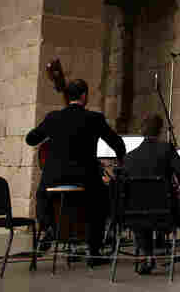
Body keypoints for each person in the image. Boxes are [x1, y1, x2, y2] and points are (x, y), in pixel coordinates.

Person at [25, 79, 125, 267]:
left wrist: (49, 134)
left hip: (53, 178)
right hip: (85, 178)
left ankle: (48, 227)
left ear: (68, 96)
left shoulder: (52, 118)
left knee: (42, 193)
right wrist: (121, 159)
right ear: (84, 96)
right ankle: (94, 252)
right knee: (104, 198)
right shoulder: (95, 119)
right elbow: (117, 143)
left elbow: (30, 139)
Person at [122, 114, 180, 274]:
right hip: (167, 213)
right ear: (160, 131)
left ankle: (148, 257)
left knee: (142, 214)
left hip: (136, 215)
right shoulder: (166, 149)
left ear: (141, 131)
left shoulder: (128, 157)